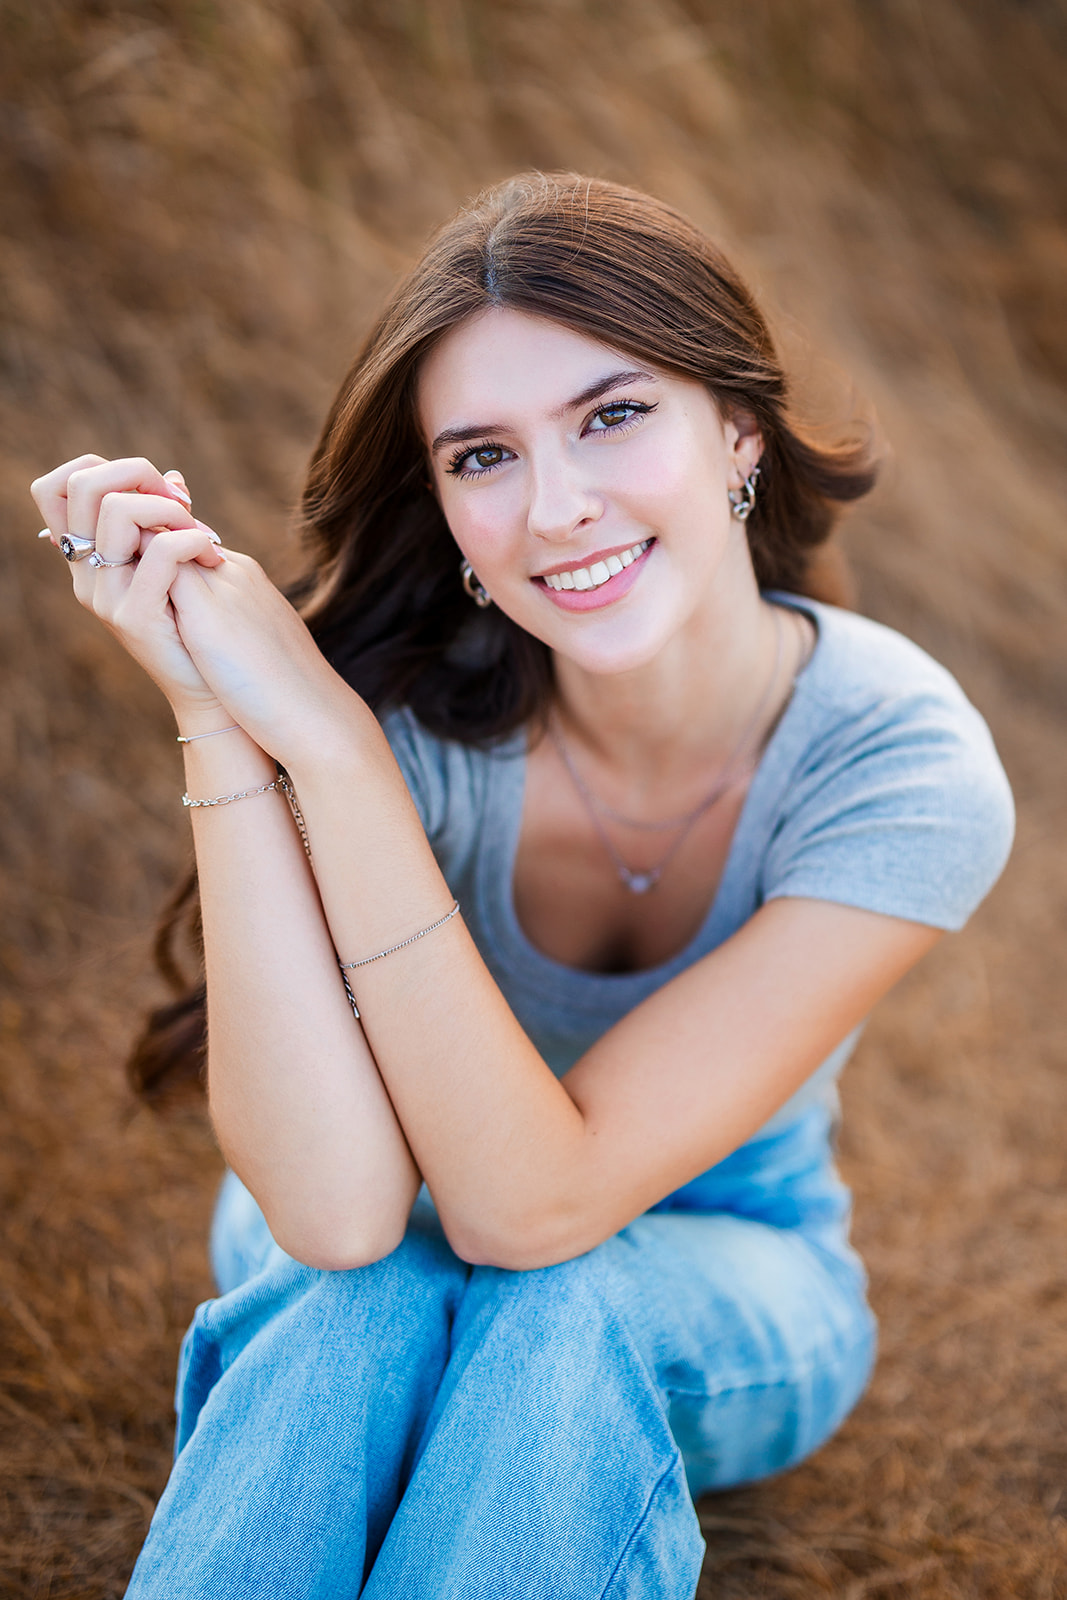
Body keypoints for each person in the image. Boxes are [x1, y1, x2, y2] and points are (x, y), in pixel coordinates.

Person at [31, 173, 1014, 1599]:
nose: (555, 507)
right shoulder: (406, 714)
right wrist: (223, 713)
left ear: (737, 434)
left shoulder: (899, 763)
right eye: (482, 457)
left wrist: (335, 751)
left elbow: (531, 1216)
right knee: (352, 1304)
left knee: (562, 1304)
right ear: (443, 510)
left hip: (715, 1258)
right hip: (363, 1224)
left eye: (614, 416)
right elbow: (338, 1210)